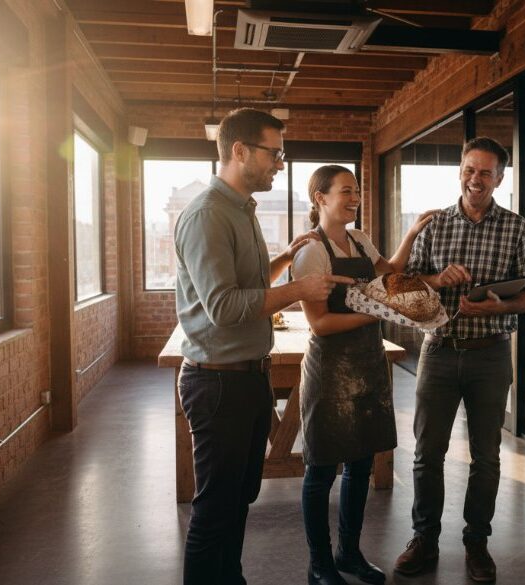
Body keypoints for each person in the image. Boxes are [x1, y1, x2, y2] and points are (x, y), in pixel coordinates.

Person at [174, 109, 353, 585]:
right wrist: (300, 289)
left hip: (247, 377)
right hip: (218, 384)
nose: (280, 163)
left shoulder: (240, 209)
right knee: (215, 509)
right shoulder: (208, 215)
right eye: (274, 153)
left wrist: (286, 259)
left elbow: (246, 285)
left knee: (239, 500)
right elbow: (223, 306)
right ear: (240, 151)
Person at [393, 137, 525, 583]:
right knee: (427, 454)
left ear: (499, 178)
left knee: (486, 457)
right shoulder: (435, 225)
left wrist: (500, 306)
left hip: (491, 355)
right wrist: (438, 279)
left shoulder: (518, 228)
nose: (475, 179)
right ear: (460, 171)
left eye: (485, 173)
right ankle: (424, 539)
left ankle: (477, 542)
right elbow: (404, 286)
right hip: (438, 351)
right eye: (469, 170)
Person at [290, 165, 436, 585]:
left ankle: (349, 554)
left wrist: (412, 234)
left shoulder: (359, 239)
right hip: (330, 370)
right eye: (345, 191)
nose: (354, 198)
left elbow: (389, 274)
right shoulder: (311, 252)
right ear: (320, 198)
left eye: (356, 191)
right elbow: (320, 324)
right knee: (321, 471)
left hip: (368, 364)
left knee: (360, 464)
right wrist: (379, 312)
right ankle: (320, 565)